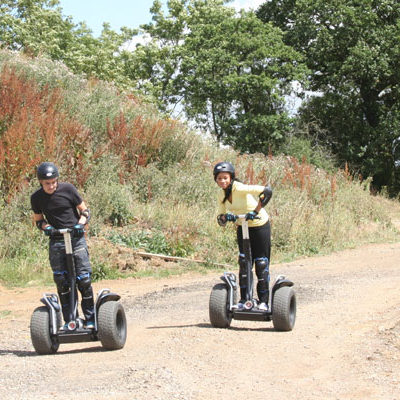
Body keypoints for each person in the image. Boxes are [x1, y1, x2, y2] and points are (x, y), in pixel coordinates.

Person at [30, 162, 95, 330]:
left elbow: (85, 211)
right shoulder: (36, 198)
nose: (51, 186)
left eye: (53, 182)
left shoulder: (68, 189)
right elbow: (39, 221)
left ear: (57, 179)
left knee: (83, 279)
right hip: (57, 239)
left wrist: (80, 224)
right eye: (47, 183)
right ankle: (70, 321)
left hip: (76, 238)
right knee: (62, 280)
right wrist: (47, 228)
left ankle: (90, 319)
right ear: (40, 182)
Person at [213, 161, 272, 311]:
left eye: (225, 178)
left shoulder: (240, 188)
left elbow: (266, 191)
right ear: (216, 179)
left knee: (261, 263)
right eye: (219, 178)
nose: (223, 181)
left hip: (259, 226)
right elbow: (221, 217)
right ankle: (245, 300)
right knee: (244, 263)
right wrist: (226, 218)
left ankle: (263, 302)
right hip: (242, 227)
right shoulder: (221, 195)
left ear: (231, 178)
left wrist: (256, 211)